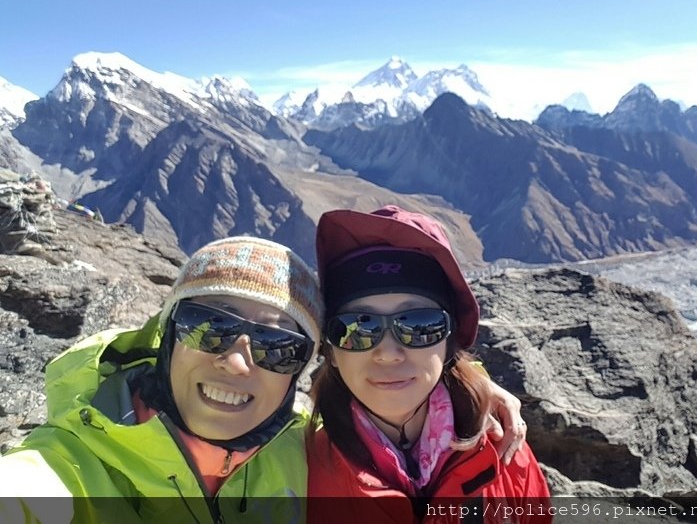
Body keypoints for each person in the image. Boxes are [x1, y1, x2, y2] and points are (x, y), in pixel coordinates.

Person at [0, 236, 322, 524]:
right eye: (209, 326)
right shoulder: (59, 474)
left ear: (297, 373)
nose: (237, 363)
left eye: (279, 346)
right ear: (166, 337)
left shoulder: (311, 451)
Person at [307, 206, 551, 523]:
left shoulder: (504, 450)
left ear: (449, 341)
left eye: (420, 325)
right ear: (331, 351)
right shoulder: (302, 474)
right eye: (358, 328)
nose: (389, 353)